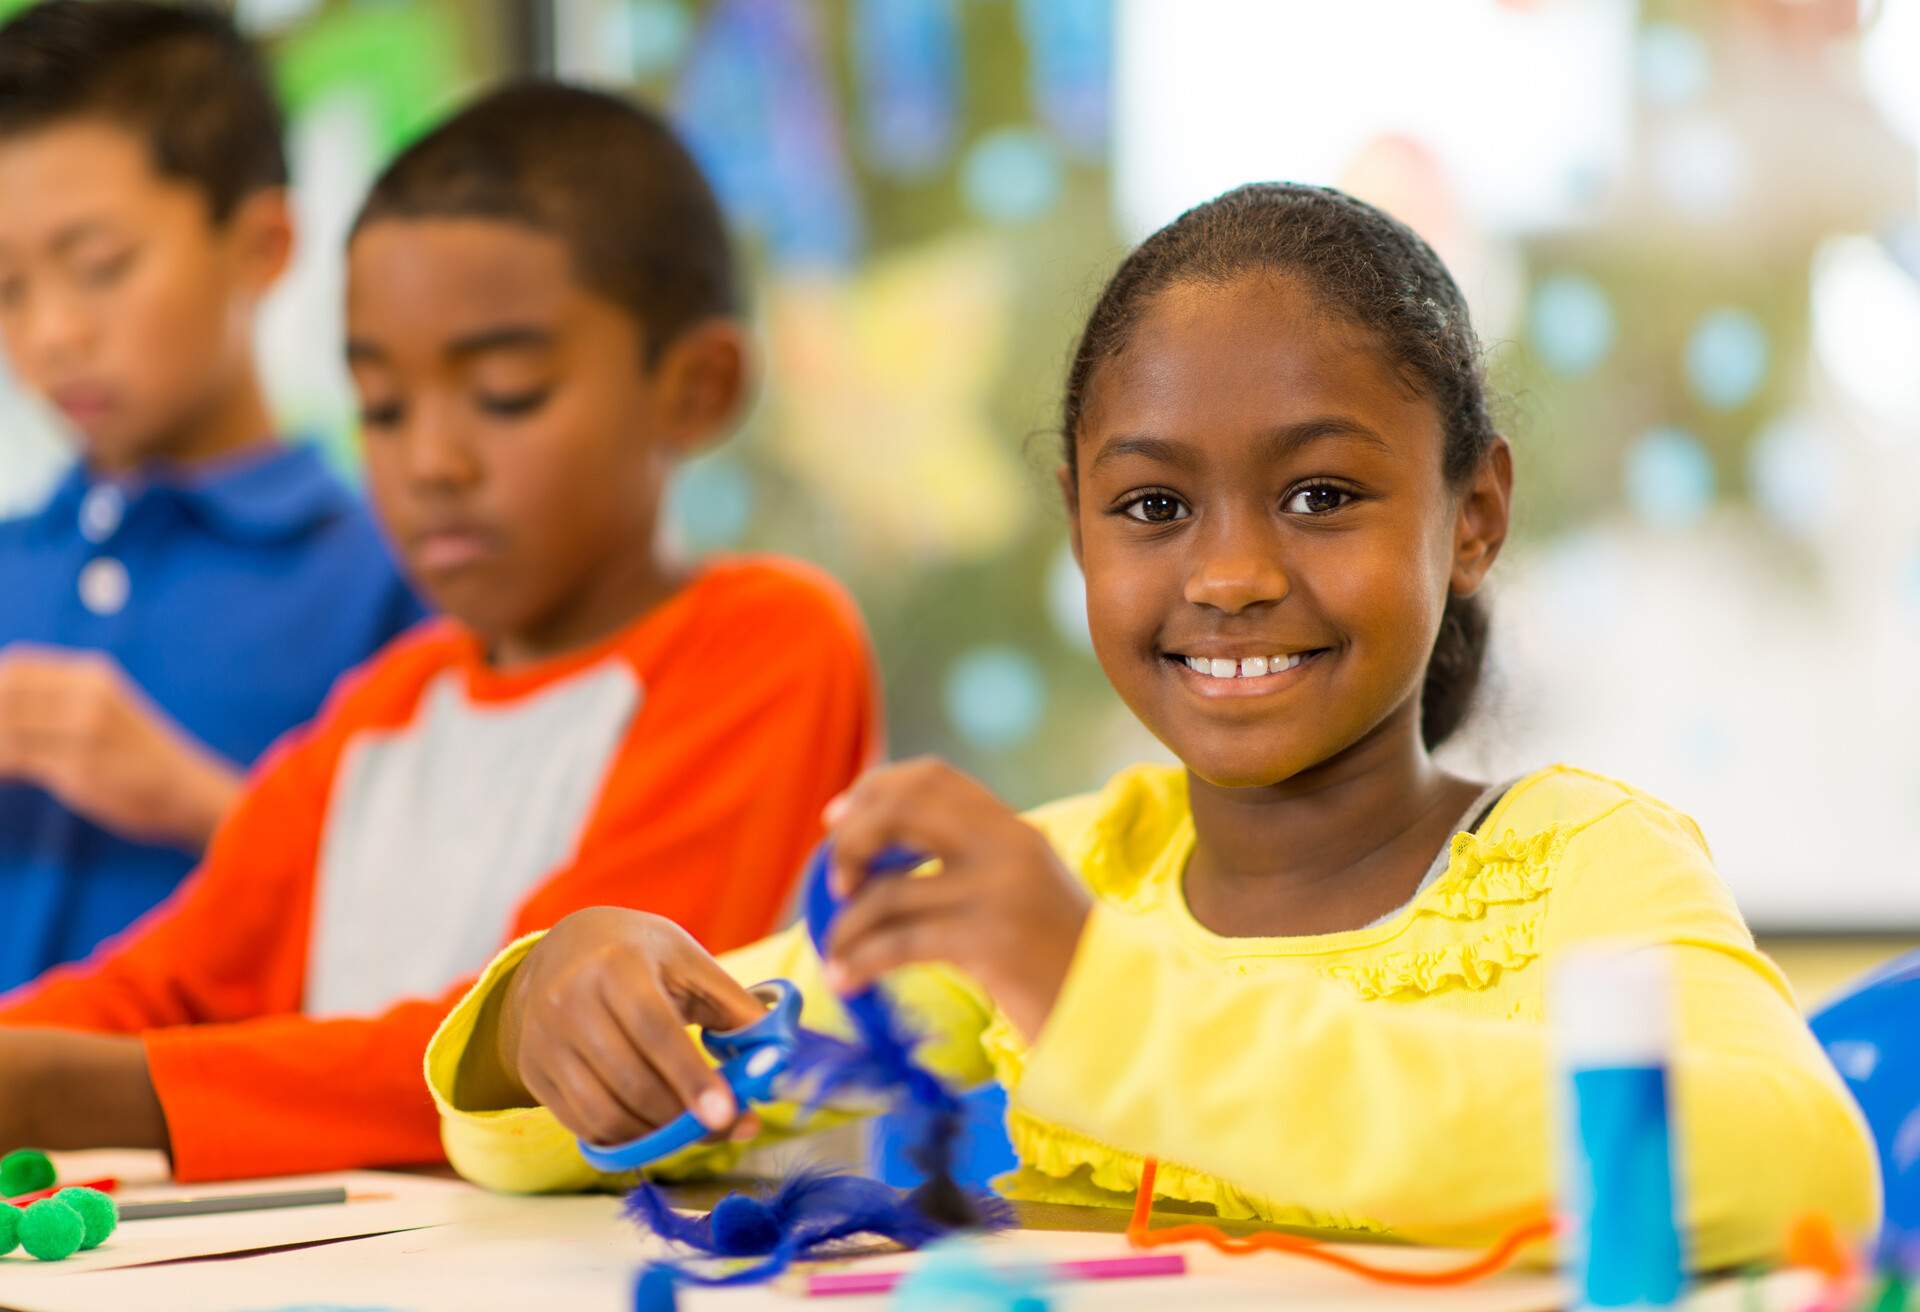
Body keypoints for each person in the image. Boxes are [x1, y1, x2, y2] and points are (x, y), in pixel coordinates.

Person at [430, 183, 1879, 1269]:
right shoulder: (1059, 882)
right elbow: (626, 1103)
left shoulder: (1585, 868)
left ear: (1474, 514)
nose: (1232, 575)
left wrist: (1101, 1001)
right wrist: (557, 1011)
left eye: (1322, 495)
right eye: (1152, 508)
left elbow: (1806, 1164)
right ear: (1075, 522)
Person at [0, 82, 878, 1182]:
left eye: (505, 394)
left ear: (696, 389)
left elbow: (543, 1049)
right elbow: (165, 982)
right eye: (382, 406)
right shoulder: (389, 704)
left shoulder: (763, 643)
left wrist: (73, 1088)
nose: (431, 462)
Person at [0, 0, 424, 991]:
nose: (53, 332)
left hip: (250, 1142)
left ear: (263, 245)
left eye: (100, 267)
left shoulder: (390, 576)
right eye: (7, 288)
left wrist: (198, 801)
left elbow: (452, 940)